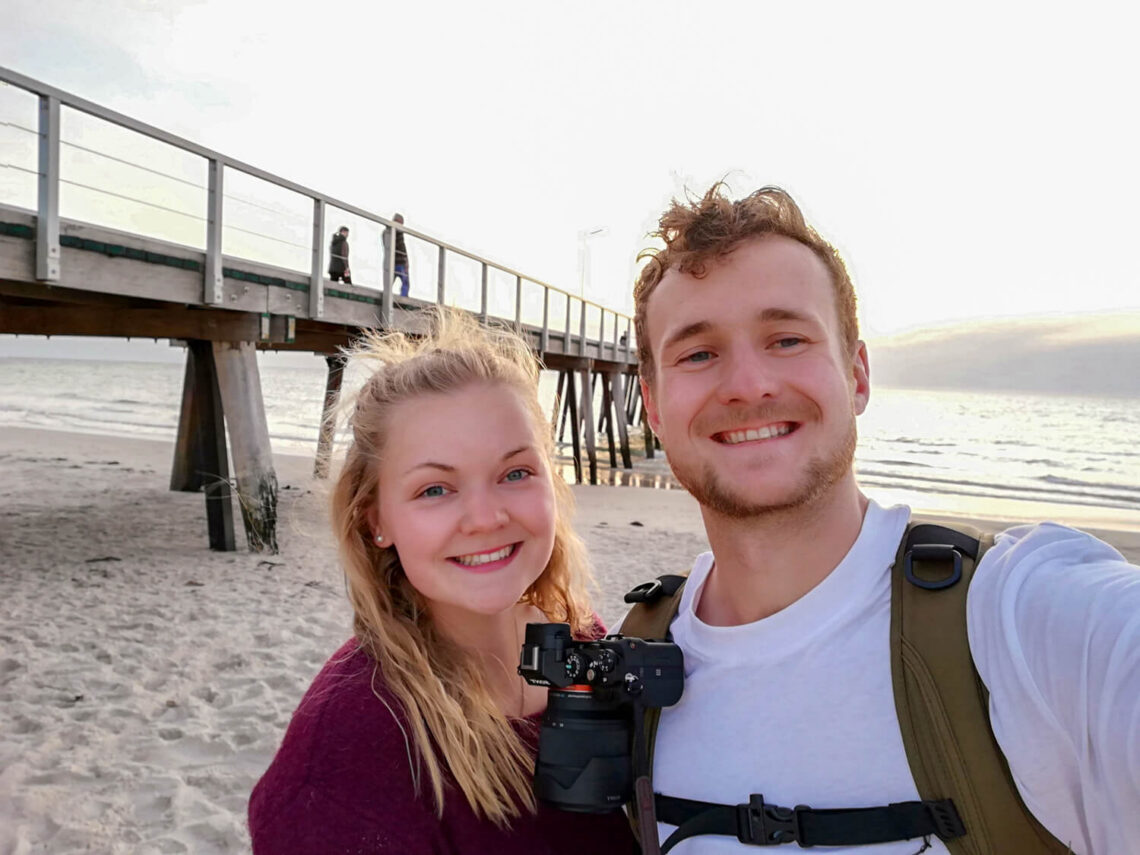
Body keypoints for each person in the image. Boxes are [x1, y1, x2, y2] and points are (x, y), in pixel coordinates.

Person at [628, 183, 1140, 854]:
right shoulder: (641, 659)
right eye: (698, 353)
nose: (748, 383)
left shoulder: (1012, 617)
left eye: (786, 338)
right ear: (654, 406)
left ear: (858, 374)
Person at [249, 310, 638, 854]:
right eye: (435, 489)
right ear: (375, 519)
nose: (484, 518)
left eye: (515, 473)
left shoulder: (581, 644)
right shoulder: (347, 765)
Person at [383, 212, 411, 297]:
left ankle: (389, 297)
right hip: (398, 262)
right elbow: (401, 248)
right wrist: (406, 262)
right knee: (404, 281)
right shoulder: (395, 231)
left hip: (392, 262)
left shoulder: (388, 232)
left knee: (391, 282)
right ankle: (403, 299)